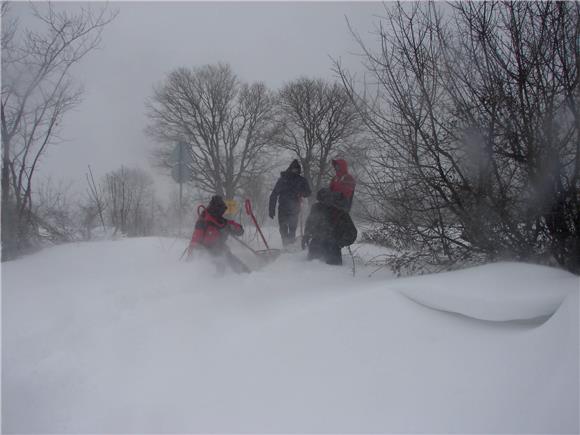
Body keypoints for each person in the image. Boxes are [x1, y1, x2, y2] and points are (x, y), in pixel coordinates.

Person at [187, 195, 250, 274]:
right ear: (214, 209)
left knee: (241, 269)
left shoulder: (221, 221)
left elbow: (238, 229)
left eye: (222, 211)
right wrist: (190, 257)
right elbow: (194, 241)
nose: (222, 213)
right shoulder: (202, 222)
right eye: (220, 211)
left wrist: (234, 228)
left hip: (222, 251)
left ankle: (248, 275)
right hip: (207, 255)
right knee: (220, 270)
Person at [302, 188, 357, 265]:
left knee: (330, 271)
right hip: (318, 245)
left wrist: (339, 243)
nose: (323, 203)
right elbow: (310, 224)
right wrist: (307, 235)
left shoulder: (340, 212)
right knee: (311, 267)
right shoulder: (316, 208)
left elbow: (352, 233)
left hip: (332, 249)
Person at [269, 159, 311, 246]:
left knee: (292, 229)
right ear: (290, 169)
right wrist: (271, 209)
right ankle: (285, 244)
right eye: (293, 169)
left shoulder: (301, 180)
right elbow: (274, 194)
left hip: (295, 208)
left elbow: (308, 192)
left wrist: (302, 193)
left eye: (297, 169)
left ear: (299, 170)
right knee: (283, 228)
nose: (295, 171)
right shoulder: (283, 179)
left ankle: (291, 246)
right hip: (283, 208)